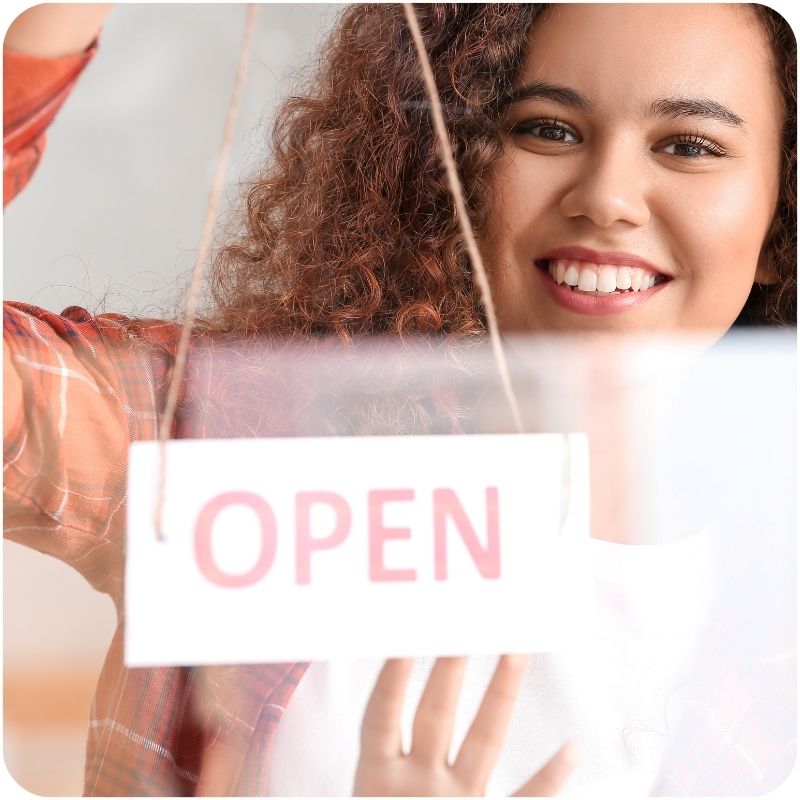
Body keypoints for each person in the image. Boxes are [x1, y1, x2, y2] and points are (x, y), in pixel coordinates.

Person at [3, 2, 796, 797]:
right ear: (457, 162)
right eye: (548, 129)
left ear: (780, 222)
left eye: (690, 146)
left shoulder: (774, 622)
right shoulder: (233, 439)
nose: (608, 196)